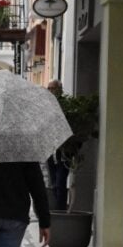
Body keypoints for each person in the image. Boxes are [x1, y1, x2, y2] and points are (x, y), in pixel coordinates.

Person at [46, 79, 69, 210]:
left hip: (63, 150)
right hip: (51, 150)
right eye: (48, 88)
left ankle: (60, 210)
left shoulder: (65, 106)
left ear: (60, 90)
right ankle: (55, 210)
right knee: (54, 182)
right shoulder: (46, 107)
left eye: (52, 88)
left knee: (60, 182)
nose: (50, 91)